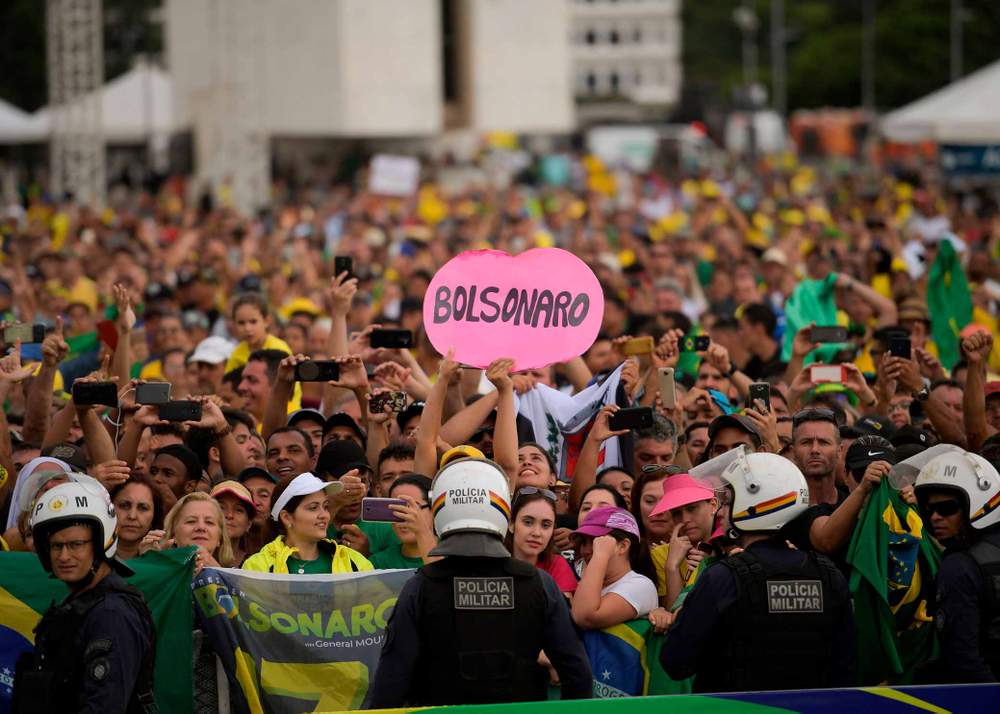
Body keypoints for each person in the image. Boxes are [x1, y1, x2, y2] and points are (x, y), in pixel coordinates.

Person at [366, 456, 592, 707]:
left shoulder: (421, 586)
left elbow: (391, 682)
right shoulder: (539, 584)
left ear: (440, 507)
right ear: (504, 510)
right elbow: (577, 673)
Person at [662, 452, 856, 692]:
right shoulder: (829, 575)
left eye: (730, 500)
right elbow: (846, 668)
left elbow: (675, 661)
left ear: (752, 505)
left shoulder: (723, 577)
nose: (722, 510)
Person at [12, 478, 157, 713]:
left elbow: (105, 706)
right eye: (56, 546)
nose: (64, 556)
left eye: (76, 544)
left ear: (101, 543)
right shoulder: (78, 604)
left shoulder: (113, 613)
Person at [914, 449, 1000, 682]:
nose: (935, 517)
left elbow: (963, 658)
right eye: (930, 509)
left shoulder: (959, 566)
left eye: (947, 508)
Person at [243, 472, 373, 574]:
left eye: (325, 506)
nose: (324, 515)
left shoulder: (353, 561)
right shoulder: (258, 567)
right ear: (287, 517)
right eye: (313, 507)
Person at [570, 505, 668, 630]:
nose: (586, 550)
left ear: (623, 546)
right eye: (584, 542)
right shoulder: (587, 582)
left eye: (596, 541)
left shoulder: (641, 585)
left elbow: (585, 616)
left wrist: (600, 555)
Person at [650, 474, 720, 609]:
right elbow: (673, 617)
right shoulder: (662, 554)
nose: (685, 519)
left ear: (713, 505)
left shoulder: (729, 547)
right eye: (676, 513)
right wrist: (672, 567)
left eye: (691, 508)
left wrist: (711, 563)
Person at [505, 486, 578, 596]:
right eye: (528, 522)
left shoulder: (557, 564)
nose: (536, 533)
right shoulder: (493, 564)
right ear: (511, 524)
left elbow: (562, 611)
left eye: (545, 525)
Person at [368, 474, 437, 569]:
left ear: (433, 509)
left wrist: (422, 532)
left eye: (411, 507)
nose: (403, 516)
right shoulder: (378, 563)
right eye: (396, 508)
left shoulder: (454, 553)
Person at [110, 473, 164, 561]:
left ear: (155, 515)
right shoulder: (89, 555)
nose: (132, 516)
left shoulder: (166, 564)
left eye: (143, 508)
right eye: (124, 506)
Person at [210, 480, 256, 566]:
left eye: (238, 510)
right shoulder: (192, 559)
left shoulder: (257, 564)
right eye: (221, 507)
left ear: (249, 524)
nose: (229, 515)